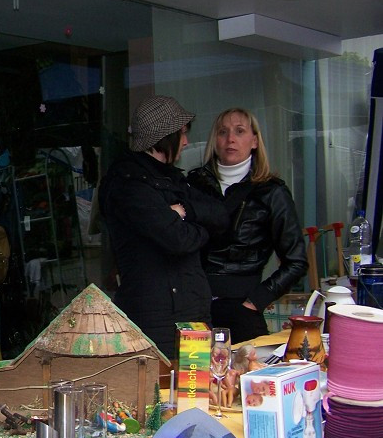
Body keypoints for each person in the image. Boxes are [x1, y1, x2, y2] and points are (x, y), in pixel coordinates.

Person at [99, 96, 227, 360]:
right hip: (156, 321)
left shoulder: (172, 177)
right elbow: (177, 239)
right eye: (181, 133)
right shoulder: (128, 184)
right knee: (163, 396)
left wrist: (186, 213)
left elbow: (221, 216)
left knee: (197, 395)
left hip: (191, 315)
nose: (186, 141)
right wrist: (201, 227)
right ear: (165, 136)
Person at [187, 108, 307, 344]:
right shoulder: (193, 184)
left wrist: (257, 299)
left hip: (241, 308)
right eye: (223, 132)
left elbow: (297, 261)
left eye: (239, 131)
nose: (230, 139)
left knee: (246, 378)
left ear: (254, 141)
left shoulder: (272, 192)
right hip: (193, 307)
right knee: (193, 380)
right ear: (215, 140)